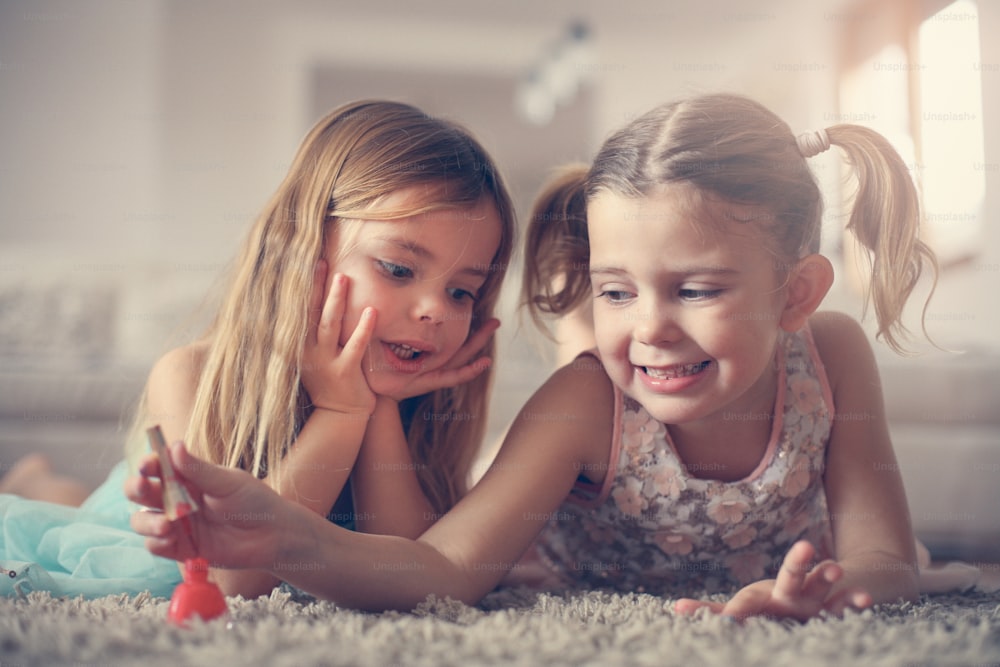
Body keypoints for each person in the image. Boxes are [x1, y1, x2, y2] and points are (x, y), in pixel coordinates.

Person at [129, 93, 953, 620]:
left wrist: (830, 596)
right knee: (587, 372)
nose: (651, 328)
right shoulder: (586, 398)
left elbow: (883, 554)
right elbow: (443, 566)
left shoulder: (832, 353)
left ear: (798, 295)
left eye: (695, 289)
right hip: (569, 488)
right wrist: (282, 531)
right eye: (617, 291)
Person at [1, 99, 516, 600]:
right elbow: (233, 578)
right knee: (73, 515)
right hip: (128, 527)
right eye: (399, 269)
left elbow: (411, 572)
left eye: (461, 291)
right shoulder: (189, 375)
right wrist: (342, 410)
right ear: (304, 251)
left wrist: (378, 403)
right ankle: (35, 477)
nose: (434, 310)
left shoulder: (418, 405)